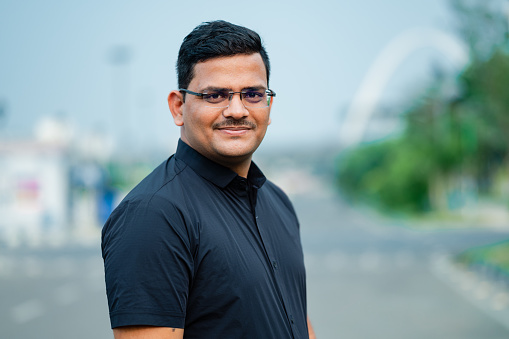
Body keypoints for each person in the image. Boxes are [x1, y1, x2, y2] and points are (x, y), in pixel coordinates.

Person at [102, 20, 316, 339]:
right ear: (179, 107)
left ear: (269, 105)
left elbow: (296, 319)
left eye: (253, 94)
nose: (237, 110)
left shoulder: (276, 201)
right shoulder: (153, 214)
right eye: (215, 95)